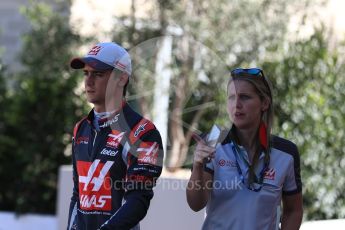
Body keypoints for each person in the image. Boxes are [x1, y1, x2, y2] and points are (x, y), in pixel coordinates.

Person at [186, 68, 303, 230]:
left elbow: (293, 210)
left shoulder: (286, 152)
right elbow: (195, 204)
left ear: (264, 103)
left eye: (245, 97)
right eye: (231, 97)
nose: (237, 105)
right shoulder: (212, 140)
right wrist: (197, 167)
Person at [67, 42, 164, 230]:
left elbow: (138, 200)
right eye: (86, 73)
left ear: (122, 78)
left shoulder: (143, 132)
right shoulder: (80, 129)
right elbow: (78, 195)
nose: (88, 81)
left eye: (98, 74)